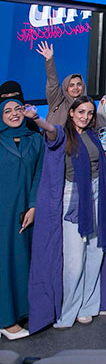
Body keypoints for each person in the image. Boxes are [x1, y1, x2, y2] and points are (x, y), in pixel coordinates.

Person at [27, 98, 106, 332]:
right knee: (74, 262)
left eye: (89, 113)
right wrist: (36, 118)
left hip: (98, 194)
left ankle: (87, 306)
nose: (85, 117)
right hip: (75, 198)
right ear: (71, 113)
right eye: (80, 112)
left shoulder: (93, 135)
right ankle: (68, 310)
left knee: (95, 253)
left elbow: (97, 162)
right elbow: (50, 131)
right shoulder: (63, 134)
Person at [0, 98, 43, 340]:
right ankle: (6, 321)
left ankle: (17, 313)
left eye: (18, 109)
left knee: (19, 262)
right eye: (7, 111)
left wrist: (33, 205)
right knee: (3, 262)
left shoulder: (35, 140)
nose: (14, 114)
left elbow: (40, 174)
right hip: (2, 211)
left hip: (24, 212)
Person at [35, 41, 87, 126]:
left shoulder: (88, 106)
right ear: (66, 88)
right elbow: (52, 81)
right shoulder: (57, 101)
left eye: (79, 84)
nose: (76, 88)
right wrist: (49, 61)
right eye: (71, 85)